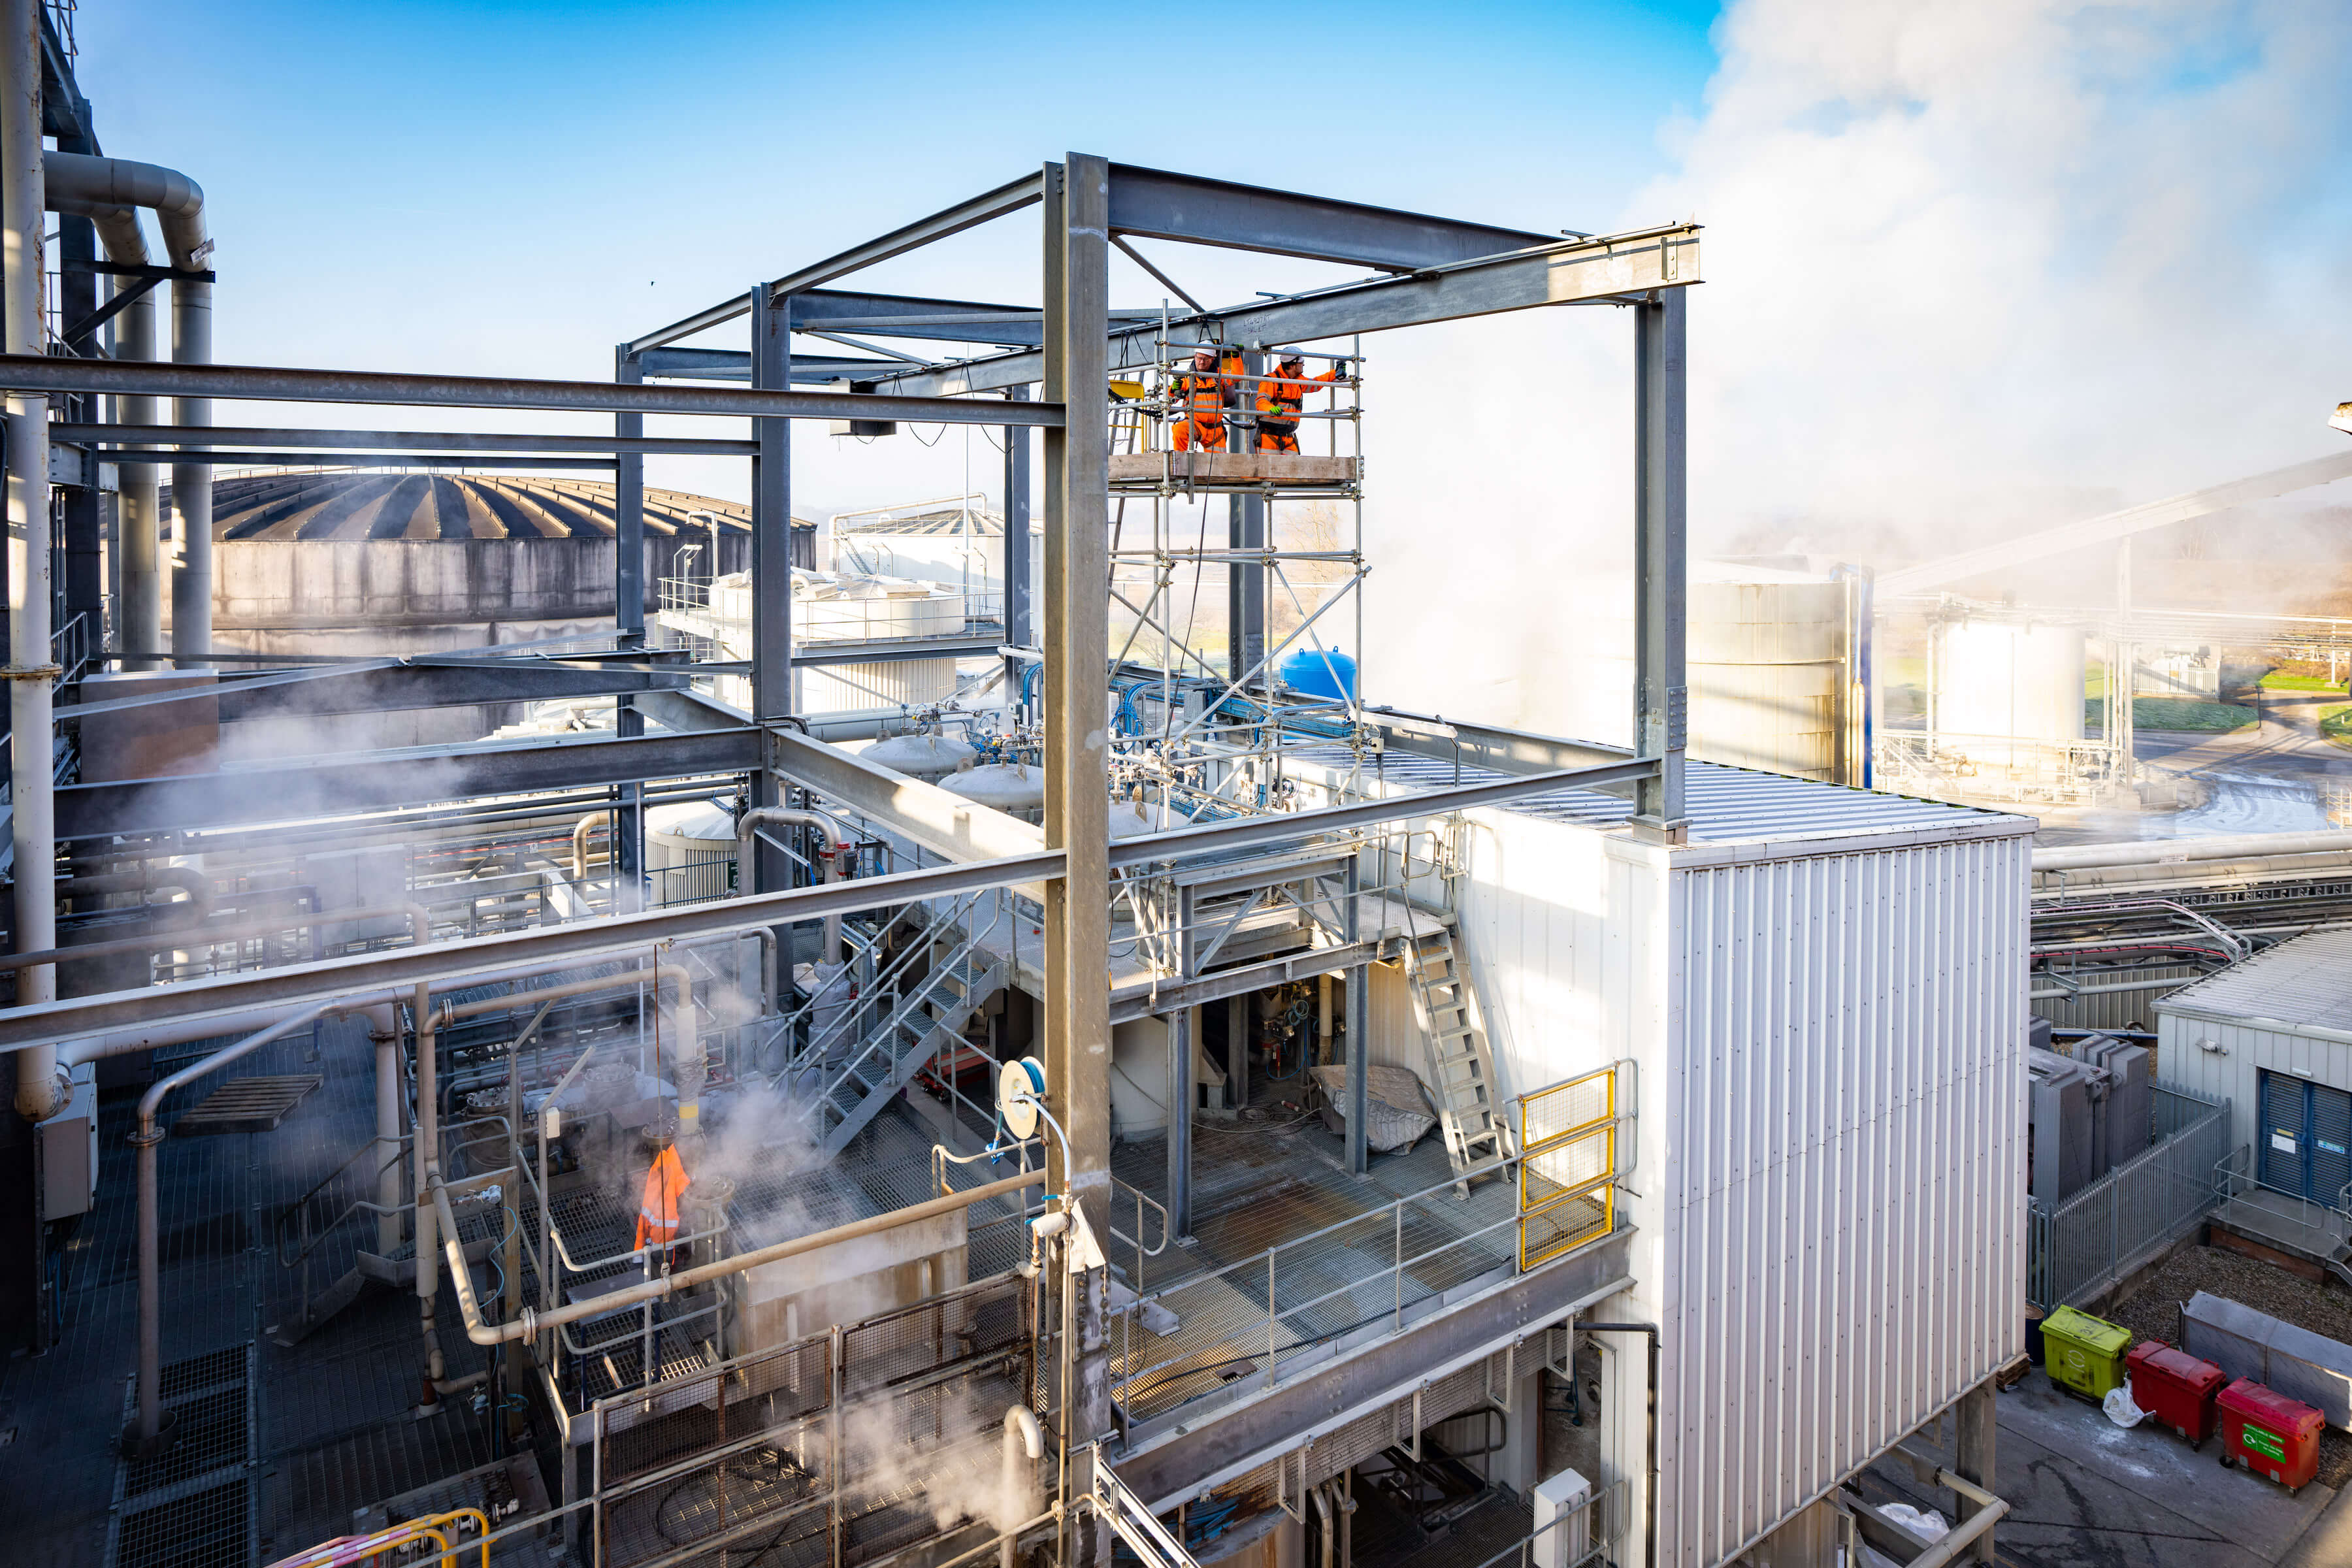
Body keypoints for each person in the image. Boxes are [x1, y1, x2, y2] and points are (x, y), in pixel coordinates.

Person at [1256, 350, 1345, 452]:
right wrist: (1270, 408)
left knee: (1294, 468)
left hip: (1289, 438)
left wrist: (1335, 373)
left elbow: (1316, 385)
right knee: (1267, 467)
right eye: (1301, 361)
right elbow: (1261, 401)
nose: (1303, 364)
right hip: (1268, 438)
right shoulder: (1271, 380)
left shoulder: (1297, 381)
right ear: (1293, 365)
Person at [633, 1137, 692, 1269]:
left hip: (661, 1244)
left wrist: (637, 1261)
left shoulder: (665, 1161)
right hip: (665, 1247)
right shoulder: (673, 1166)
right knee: (670, 1269)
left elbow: (642, 1227)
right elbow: (687, 1190)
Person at [1171, 344, 1242, 451]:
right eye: (1199, 358)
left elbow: (1237, 376)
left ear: (1212, 359)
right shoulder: (1188, 377)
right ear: (1195, 357)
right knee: (1180, 430)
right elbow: (1170, 399)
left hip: (1215, 429)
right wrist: (1173, 389)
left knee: (1219, 464)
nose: (1202, 362)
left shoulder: (1219, 376)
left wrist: (1235, 355)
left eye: (1206, 359)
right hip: (1195, 425)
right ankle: (1180, 462)